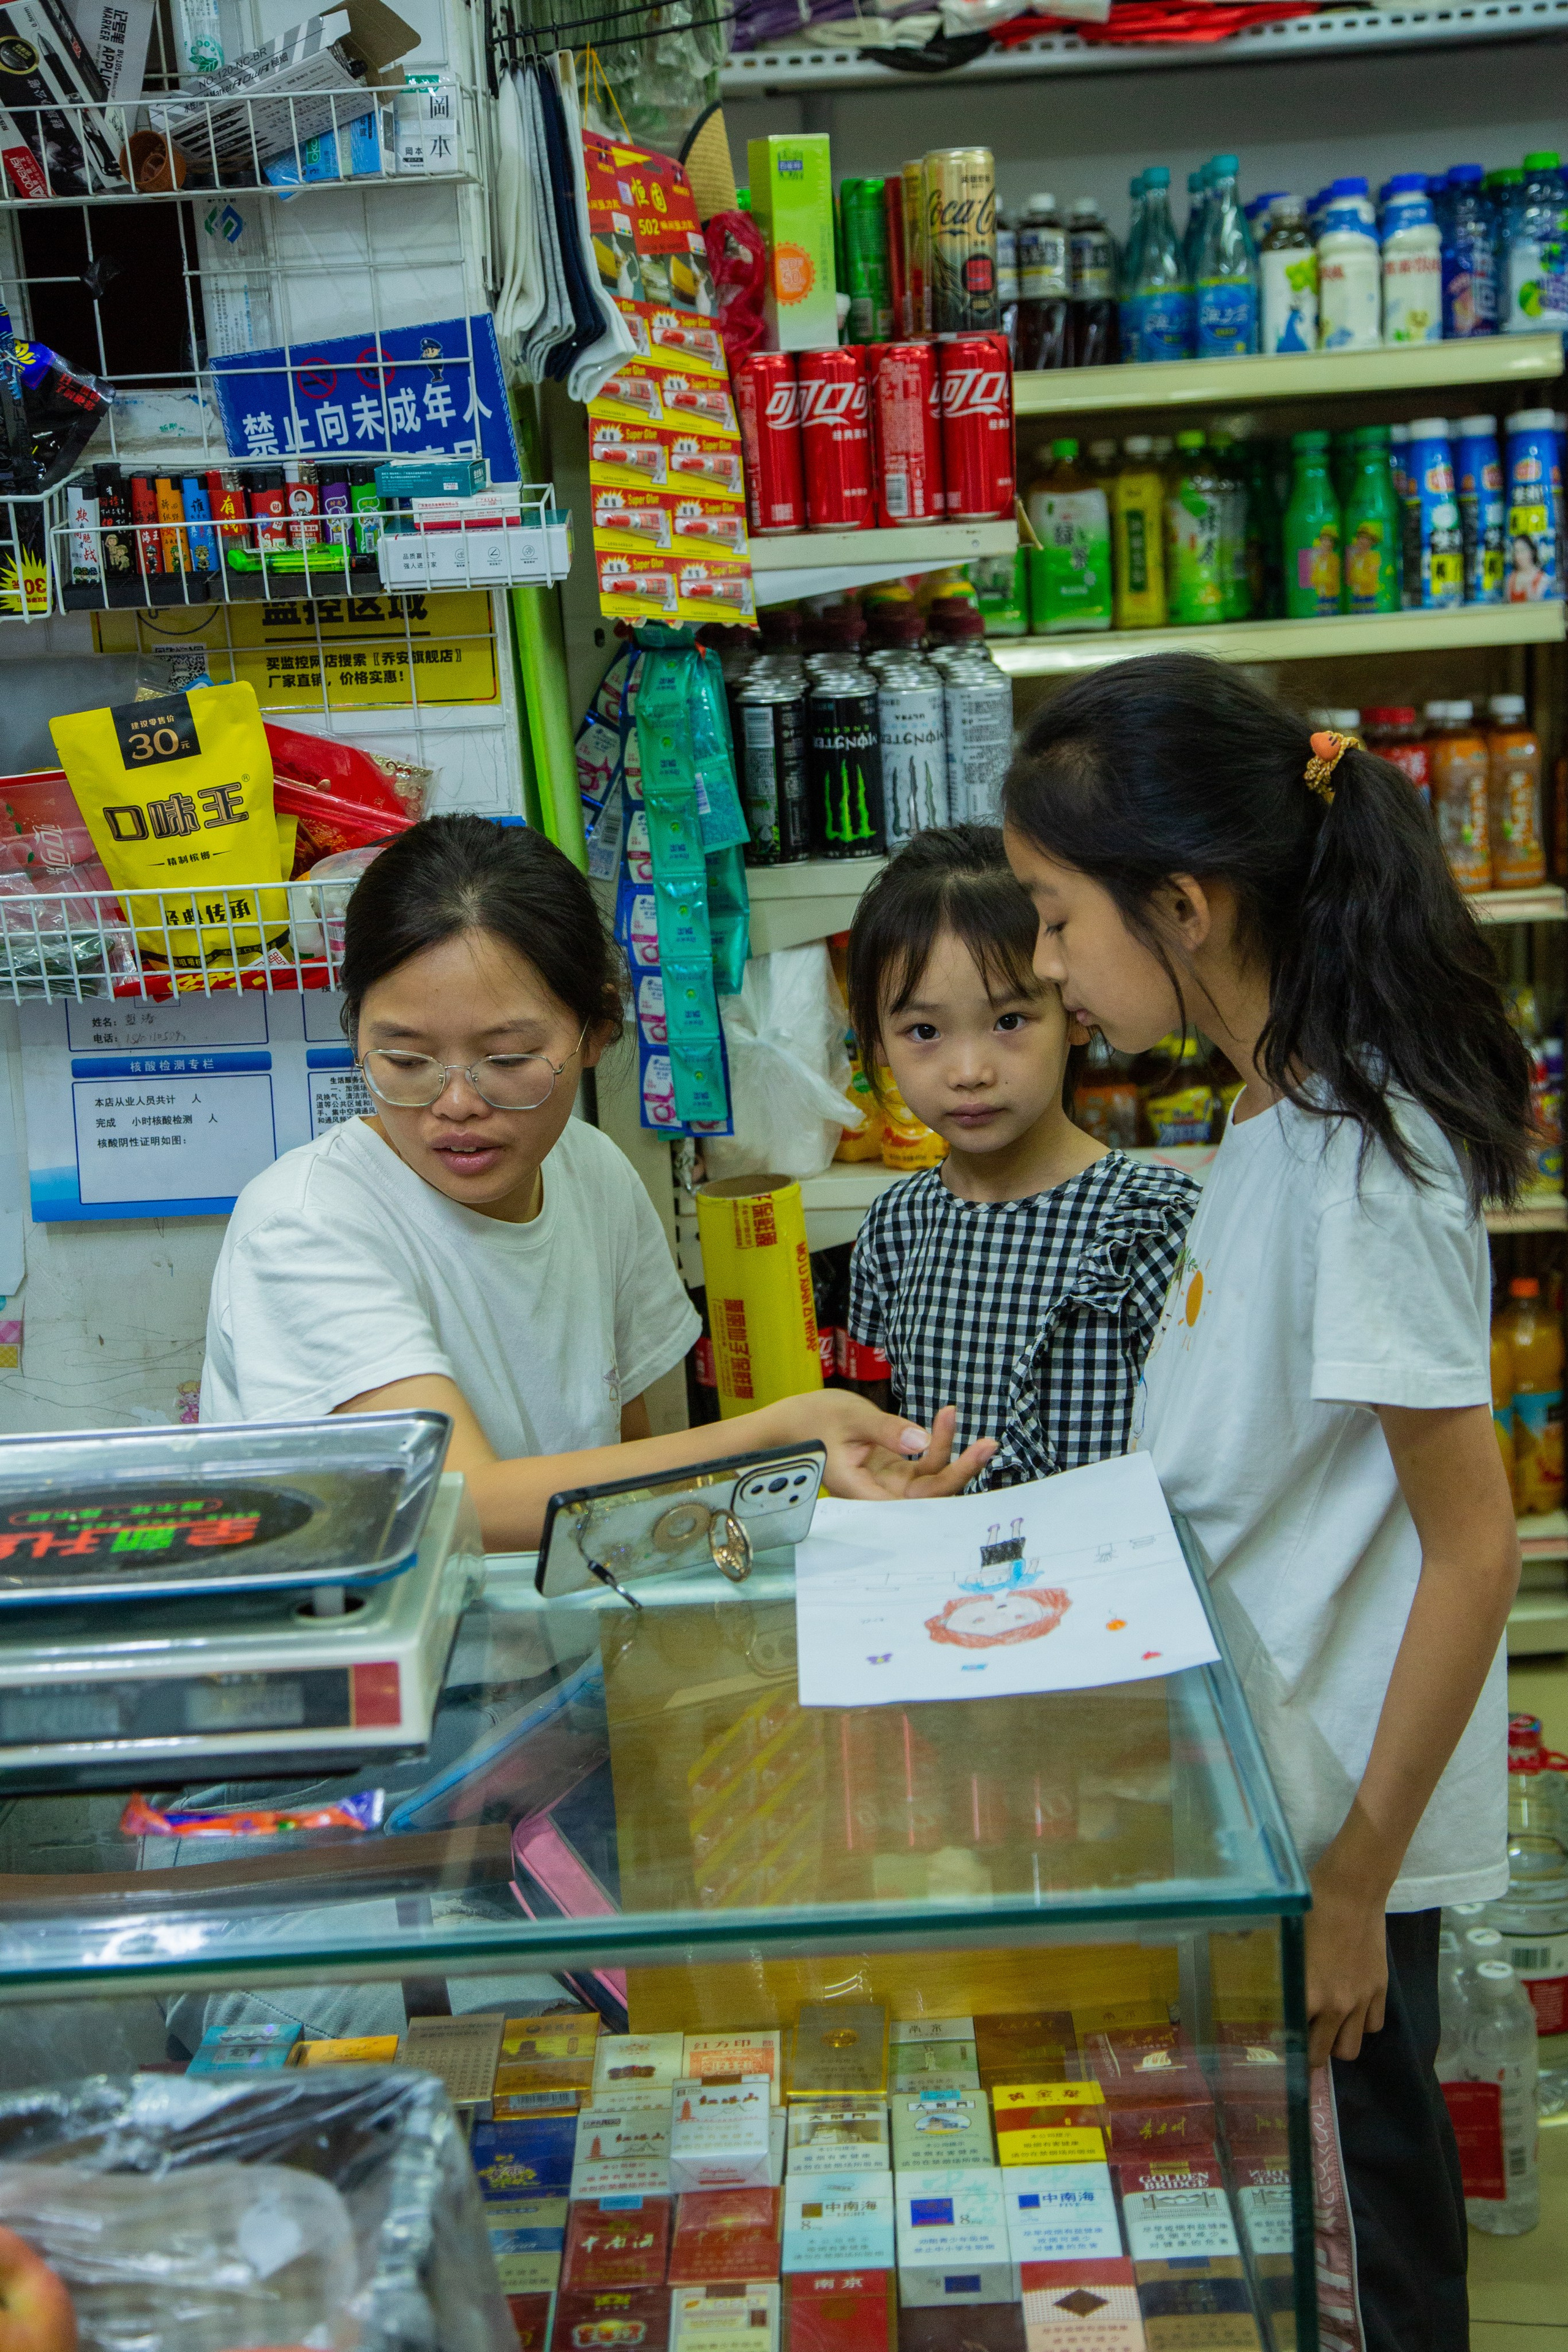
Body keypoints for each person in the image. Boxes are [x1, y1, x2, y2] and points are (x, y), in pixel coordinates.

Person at [1003, 655, 1528, 2352]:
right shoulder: (1269, 1113)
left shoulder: (1363, 1159)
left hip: (1331, 1835)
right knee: (1308, 2243)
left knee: (1369, 2265)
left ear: (1184, 903)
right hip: (1270, 1804)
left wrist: (1356, 1881)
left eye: (1054, 917)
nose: (1042, 964)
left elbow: (1472, 1547)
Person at [200, 816, 995, 1544]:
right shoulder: (304, 1222)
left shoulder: (593, 1173)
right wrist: (771, 1442)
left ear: (597, 1031)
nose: (456, 1103)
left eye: (508, 1059)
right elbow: (446, 1503)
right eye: (405, 1060)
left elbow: (630, 1469)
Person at [843, 824, 1199, 1487]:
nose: (969, 1072)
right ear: (876, 1041)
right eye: (924, 1030)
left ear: (1075, 1011)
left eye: (1009, 1021)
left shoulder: (1154, 1225)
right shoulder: (894, 1228)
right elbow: (882, 1441)